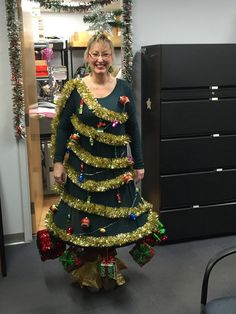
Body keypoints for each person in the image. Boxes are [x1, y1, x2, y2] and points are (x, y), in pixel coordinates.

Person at [41, 33, 163, 291]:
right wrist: (58, 163)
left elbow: (133, 129)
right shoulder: (75, 90)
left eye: (105, 54)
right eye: (95, 54)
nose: (100, 59)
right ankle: (89, 264)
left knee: (114, 220)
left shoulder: (124, 88)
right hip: (83, 171)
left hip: (116, 171)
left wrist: (139, 163)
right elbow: (63, 128)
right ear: (87, 56)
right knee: (86, 220)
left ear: (112, 57)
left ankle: (107, 262)